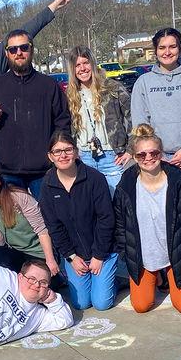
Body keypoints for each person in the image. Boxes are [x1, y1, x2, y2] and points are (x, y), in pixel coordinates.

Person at [113, 124, 181, 314]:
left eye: (153, 153)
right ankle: (159, 277)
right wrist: (126, 252)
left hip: (176, 255)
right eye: (141, 155)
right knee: (141, 306)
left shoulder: (179, 183)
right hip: (144, 257)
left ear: (161, 153)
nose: (148, 158)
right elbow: (119, 223)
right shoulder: (126, 185)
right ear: (135, 157)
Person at [0, 30, 72, 198]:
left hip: (43, 170)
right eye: (13, 49)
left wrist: (58, 154)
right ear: (7, 53)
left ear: (31, 49)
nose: (19, 53)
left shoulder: (48, 85)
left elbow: (63, 122)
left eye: (23, 47)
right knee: (14, 223)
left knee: (48, 219)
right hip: (8, 172)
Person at [39, 132, 117, 311]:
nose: (63, 155)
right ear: (50, 156)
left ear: (76, 152)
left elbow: (106, 219)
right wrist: (72, 257)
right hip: (76, 255)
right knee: (81, 304)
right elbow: (54, 226)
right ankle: (93, 278)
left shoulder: (95, 178)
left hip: (102, 251)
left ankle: (111, 278)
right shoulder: (48, 185)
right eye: (57, 151)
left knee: (101, 304)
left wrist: (98, 256)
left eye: (67, 149)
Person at [131, 28, 181, 193]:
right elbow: (140, 122)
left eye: (172, 47)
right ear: (155, 51)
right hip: (155, 156)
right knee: (161, 212)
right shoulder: (143, 82)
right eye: (162, 47)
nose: (167, 52)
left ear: (179, 49)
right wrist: (155, 152)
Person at [0, 159, 59, 275]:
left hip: (39, 254)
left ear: (0, 178)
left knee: (36, 283)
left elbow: (42, 230)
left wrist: (50, 260)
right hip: (16, 255)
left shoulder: (18, 197)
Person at [65, 45, 132, 194]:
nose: (82, 68)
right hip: (84, 158)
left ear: (93, 64)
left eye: (85, 63)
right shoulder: (70, 95)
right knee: (92, 208)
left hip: (112, 157)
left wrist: (130, 150)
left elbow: (132, 117)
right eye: (77, 65)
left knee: (117, 204)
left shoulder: (113, 88)